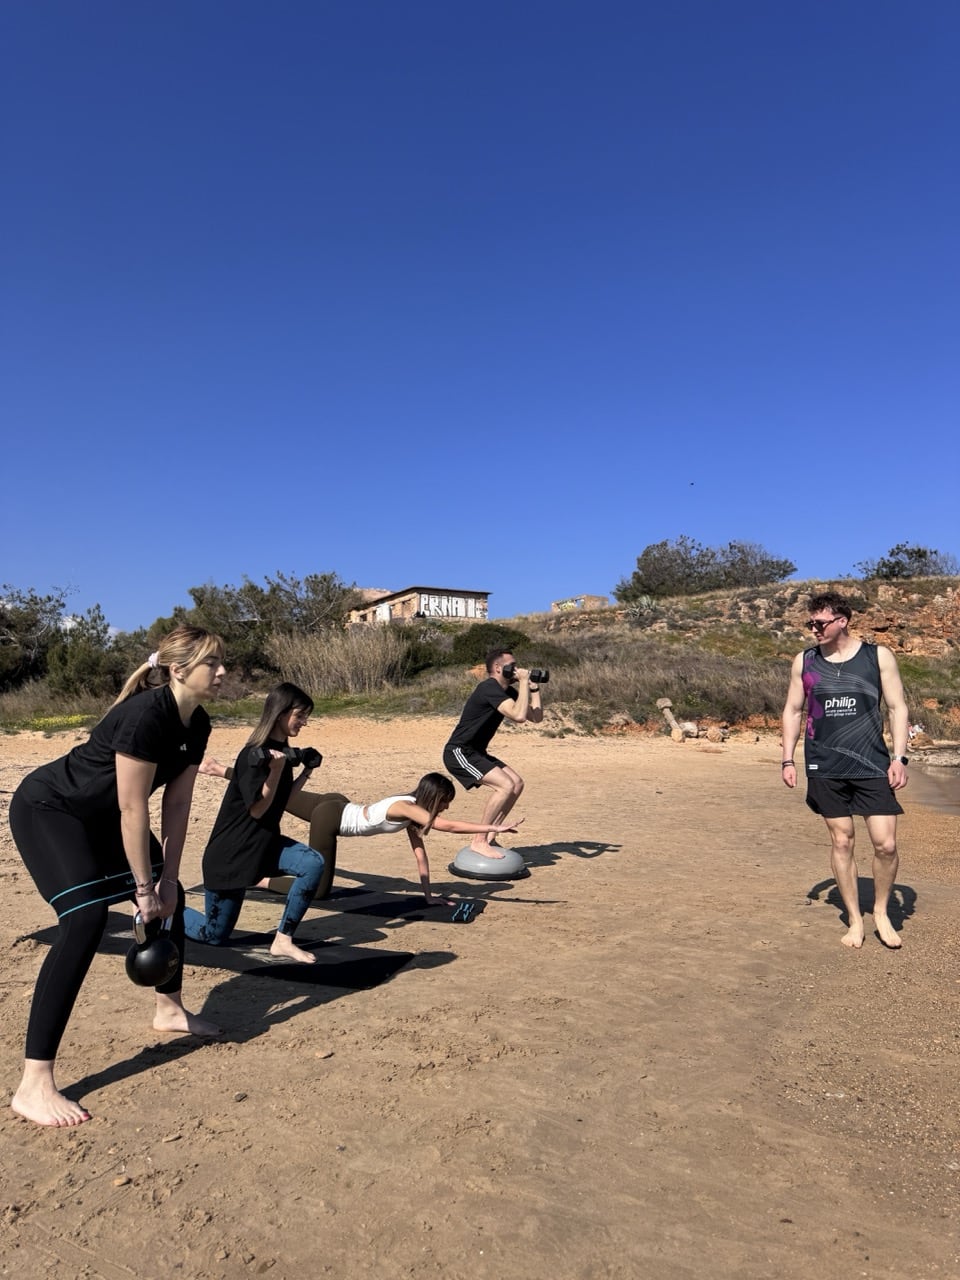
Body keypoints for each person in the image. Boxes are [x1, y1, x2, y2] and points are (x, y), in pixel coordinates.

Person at [8, 626, 226, 1127]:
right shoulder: (145, 716)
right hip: (52, 809)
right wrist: (143, 890)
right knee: (84, 920)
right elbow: (133, 808)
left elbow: (176, 802)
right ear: (178, 670)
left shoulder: (198, 723)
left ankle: (169, 1010)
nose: (222, 672)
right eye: (211, 664)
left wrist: (167, 880)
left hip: (105, 815)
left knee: (174, 897)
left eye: (222, 663)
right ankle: (34, 1083)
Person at [781, 592, 910, 950]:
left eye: (819, 623)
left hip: (871, 763)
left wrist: (899, 758)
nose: (813, 629)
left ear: (843, 621)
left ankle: (881, 911)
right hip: (825, 763)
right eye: (810, 623)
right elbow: (793, 710)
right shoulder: (804, 661)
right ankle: (855, 919)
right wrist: (788, 759)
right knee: (842, 840)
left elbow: (898, 707)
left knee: (885, 844)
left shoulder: (877, 656)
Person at [198, 765, 523, 905]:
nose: (446, 810)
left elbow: (420, 854)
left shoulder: (411, 812)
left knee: (279, 795)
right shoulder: (407, 807)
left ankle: (223, 771)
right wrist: (493, 827)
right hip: (331, 817)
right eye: (445, 804)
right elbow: (446, 827)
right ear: (434, 799)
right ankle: (260, 880)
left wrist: (427, 894)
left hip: (336, 804)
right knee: (319, 889)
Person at [183, 683, 328, 965]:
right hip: (230, 856)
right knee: (214, 934)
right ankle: (170, 911)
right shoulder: (253, 755)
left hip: (264, 846)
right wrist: (274, 772)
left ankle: (283, 939)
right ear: (280, 713)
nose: (304, 722)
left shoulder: (280, 750)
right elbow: (259, 810)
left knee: (312, 863)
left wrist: (306, 771)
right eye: (300, 715)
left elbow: (282, 800)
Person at [441, 649, 542, 857]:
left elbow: (536, 717)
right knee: (505, 785)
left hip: (476, 751)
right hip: (459, 752)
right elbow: (518, 715)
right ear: (498, 668)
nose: (516, 669)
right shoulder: (488, 687)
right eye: (512, 665)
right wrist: (522, 682)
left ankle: (490, 837)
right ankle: (479, 840)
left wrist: (534, 689)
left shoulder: (508, 691)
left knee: (516, 783)